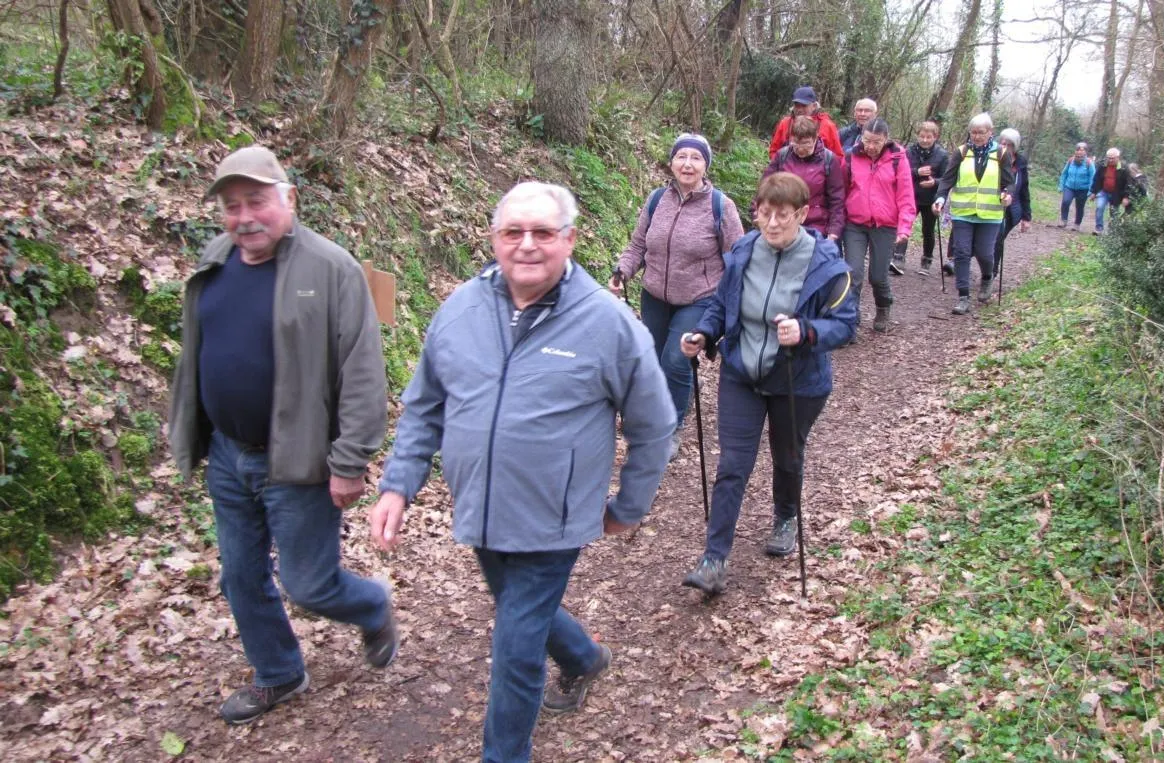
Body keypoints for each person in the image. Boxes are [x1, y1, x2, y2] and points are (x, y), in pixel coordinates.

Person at [370, 182, 676, 763]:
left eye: (543, 232)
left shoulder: (607, 322)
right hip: (481, 507)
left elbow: (654, 423)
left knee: (516, 645)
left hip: (554, 519)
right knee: (519, 607)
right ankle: (584, 657)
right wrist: (397, 485)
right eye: (513, 232)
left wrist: (629, 506)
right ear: (494, 239)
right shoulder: (461, 309)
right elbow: (426, 404)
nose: (527, 244)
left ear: (570, 240)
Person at [168, 145, 396, 725]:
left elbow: (362, 371)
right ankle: (278, 672)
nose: (244, 217)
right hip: (228, 454)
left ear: (289, 199)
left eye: (257, 201)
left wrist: (350, 461)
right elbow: (197, 352)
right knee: (239, 576)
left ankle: (371, 605)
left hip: (299, 459)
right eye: (232, 206)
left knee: (309, 586)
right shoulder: (215, 259)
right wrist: (191, 433)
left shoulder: (332, 268)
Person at [679, 172, 857, 596]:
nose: (772, 223)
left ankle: (785, 516)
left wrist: (807, 331)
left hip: (797, 379)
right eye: (764, 213)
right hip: (741, 372)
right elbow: (722, 304)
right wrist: (704, 333)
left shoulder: (826, 265)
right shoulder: (743, 252)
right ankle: (714, 559)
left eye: (782, 215)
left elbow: (846, 324)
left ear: (802, 214)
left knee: (787, 457)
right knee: (732, 465)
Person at [610, 133, 744, 462]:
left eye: (696, 158)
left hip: (699, 298)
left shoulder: (721, 206)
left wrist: (730, 302)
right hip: (654, 295)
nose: (687, 164)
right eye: (681, 156)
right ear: (671, 163)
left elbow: (738, 257)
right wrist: (622, 271)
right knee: (654, 360)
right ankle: (657, 412)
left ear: (705, 166)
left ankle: (671, 427)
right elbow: (638, 244)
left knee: (675, 359)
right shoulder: (657, 199)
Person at [932, 113, 1014, 315]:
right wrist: (940, 198)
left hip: (990, 214)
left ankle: (987, 277)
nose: (976, 136)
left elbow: (1009, 182)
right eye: (973, 132)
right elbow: (947, 179)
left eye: (981, 132)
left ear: (990, 132)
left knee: (984, 253)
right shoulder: (961, 152)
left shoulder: (1002, 154)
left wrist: (1007, 195)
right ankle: (963, 296)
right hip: (963, 212)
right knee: (961, 252)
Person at [841, 117, 916, 332]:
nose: (871, 146)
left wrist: (904, 228)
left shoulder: (897, 158)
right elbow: (841, 190)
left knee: (877, 275)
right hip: (855, 223)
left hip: (885, 225)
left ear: (886, 139)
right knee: (853, 273)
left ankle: (883, 306)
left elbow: (906, 196)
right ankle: (850, 321)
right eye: (867, 140)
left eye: (877, 141)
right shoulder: (851, 157)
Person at [759, 115, 846, 242]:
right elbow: (764, 188)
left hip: (816, 225)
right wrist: (758, 215)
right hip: (783, 221)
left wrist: (834, 232)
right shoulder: (782, 156)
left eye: (805, 143)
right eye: (795, 143)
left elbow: (837, 199)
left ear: (815, 138)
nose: (800, 148)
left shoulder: (829, 159)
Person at [893, 120, 950, 274]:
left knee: (928, 229)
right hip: (910, 196)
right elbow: (899, 172)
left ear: (935, 137)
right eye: (922, 136)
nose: (925, 140)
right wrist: (917, 172)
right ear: (917, 135)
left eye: (928, 137)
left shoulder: (942, 155)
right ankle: (898, 257)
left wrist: (934, 182)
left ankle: (927, 260)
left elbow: (947, 179)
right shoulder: (908, 152)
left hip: (931, 198)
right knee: (905, 225)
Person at [993, 127, 1032, 279]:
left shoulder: (1020, 163)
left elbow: (1024, 190)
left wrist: (1026, 217)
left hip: (1012, 210)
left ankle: (992, 272)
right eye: (1002, 143)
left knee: (998, 238)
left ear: (1014, 146)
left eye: (1008, 144)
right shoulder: (993, 158)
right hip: (992, 205)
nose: (1004, 147)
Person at [767, 86, 845, 160]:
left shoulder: (827, 126)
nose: (799, 110)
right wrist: (780, 165)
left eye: (804, 105)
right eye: (797, 105)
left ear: (814, 106)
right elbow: (774, 151)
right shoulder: (785, 123)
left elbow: (838, 158)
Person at [1090, 147, 1131, 234]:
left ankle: (1112, 231)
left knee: (1114, 212)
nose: (1110, 160)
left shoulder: (1124, 168)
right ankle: (1099, 228)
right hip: (1103, 191)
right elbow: (1096, 179)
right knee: (1099, 207)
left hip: (1116, 194)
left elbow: (1128, 183)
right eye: (1109, 158)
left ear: (1118, 157)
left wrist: (1126, 197)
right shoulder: (1102, 166)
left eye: (1113, 158)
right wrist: (1093, 192)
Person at [1058, 142, 1095, 230]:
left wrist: (1091, 190)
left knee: (1079, 206)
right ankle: (1063, 220)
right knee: (1065, 201)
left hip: (1083, 189)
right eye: (1078, 150)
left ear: (1085, 152)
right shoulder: (1070, 161)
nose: (1080, 153)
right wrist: (1061, 185)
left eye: (1082, 150)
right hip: (1069, 186)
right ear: (1075, 152)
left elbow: (1093, 177)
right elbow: (1064, 173)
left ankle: (1077, 224)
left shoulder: (1089, 163)